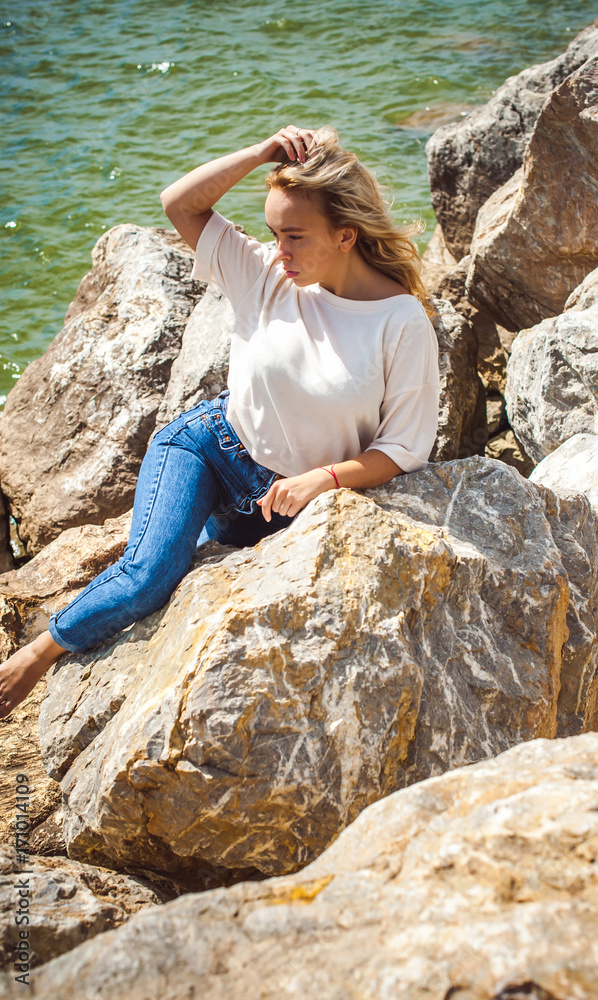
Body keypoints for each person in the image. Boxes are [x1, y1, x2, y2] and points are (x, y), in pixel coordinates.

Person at [0, 124, 440, 720]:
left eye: (294, 236)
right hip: (211, 448)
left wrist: (324, 480)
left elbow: (404, 447)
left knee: (185, 571)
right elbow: (179, 203)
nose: (279, 249)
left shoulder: (400, 322)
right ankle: (37, 654)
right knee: (150, 578)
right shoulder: (263, 273)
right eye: (272, 232)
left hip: (288, 504)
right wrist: (264, 153)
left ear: (346, 235)